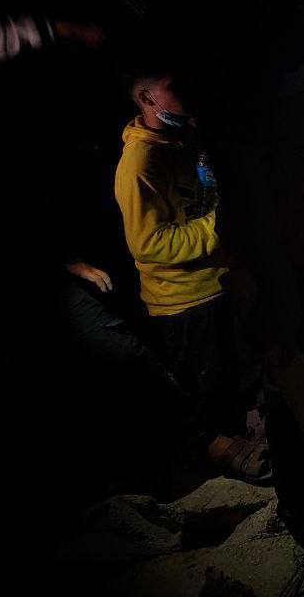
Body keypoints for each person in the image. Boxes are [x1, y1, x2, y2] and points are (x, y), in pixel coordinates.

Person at [113, 51, 269, 482]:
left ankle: (256, 452)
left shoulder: (187, 139)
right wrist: (220, 227)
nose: (189, 91)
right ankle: (224, 471)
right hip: (184, 303)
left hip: (221, 284)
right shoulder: (139, 163)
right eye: (174, 87)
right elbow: (149, 243)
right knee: (213, 394)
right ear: (147, 98)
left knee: (244, 382)